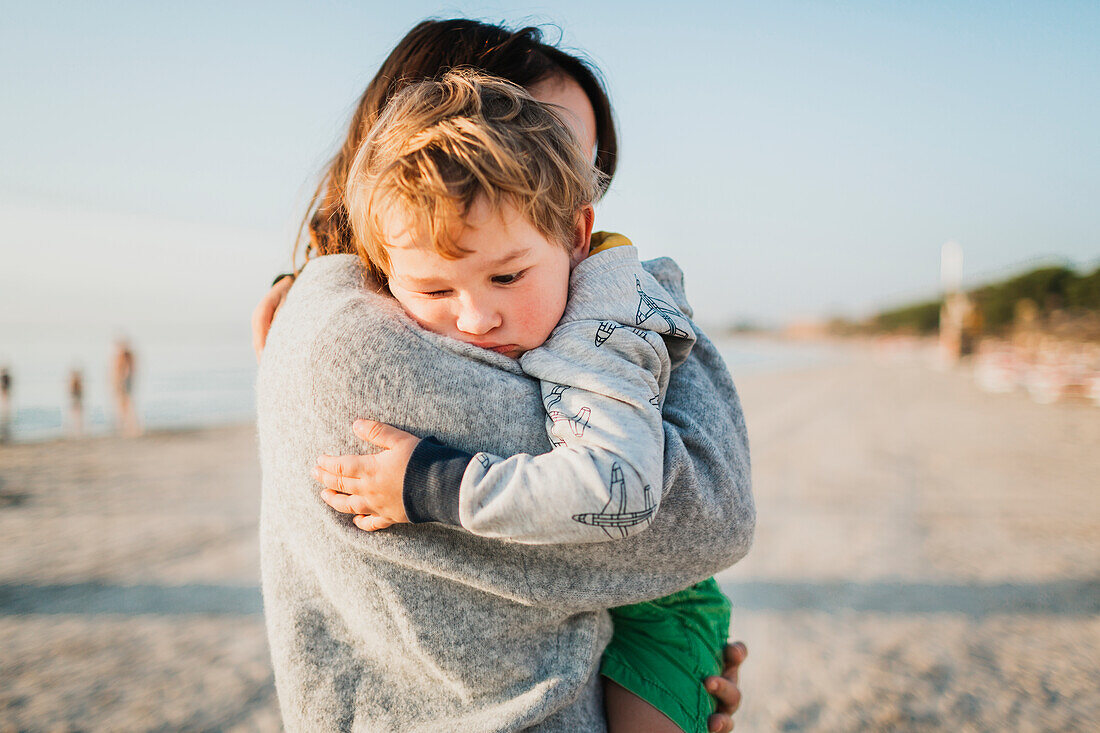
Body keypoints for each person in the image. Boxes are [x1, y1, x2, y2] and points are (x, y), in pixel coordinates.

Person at [254, 19, 753, 732]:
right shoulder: (352, 334)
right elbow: (700, 509)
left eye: (585, 166)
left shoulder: (577, 305)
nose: (563, 187)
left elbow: (697, 519)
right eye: (528, 139)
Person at [110, 338, 140, 437]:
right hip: (125, 381)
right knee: (125, 403)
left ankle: (127, 426)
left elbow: (125, 370)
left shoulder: (124, 355)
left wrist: (121, 380)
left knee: (124, 404)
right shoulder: (126, 355)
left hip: (123, 382)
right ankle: (127, 426)